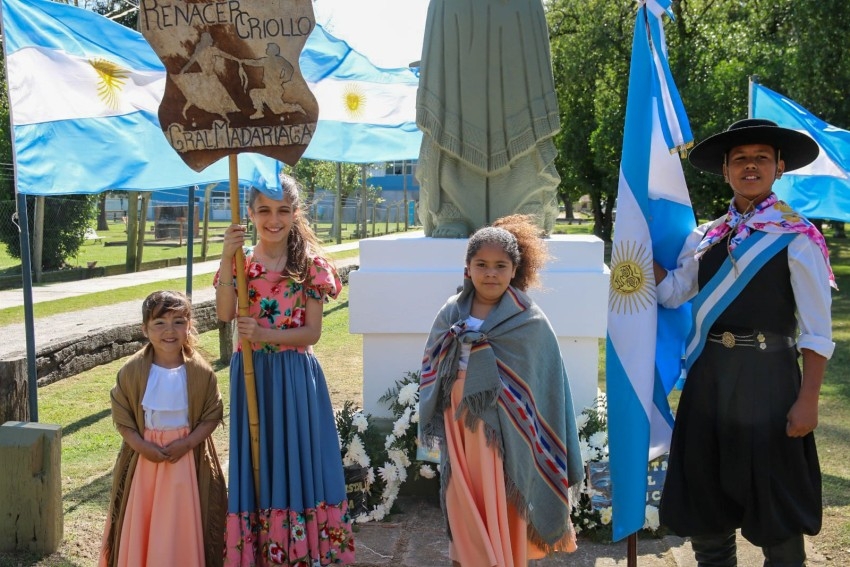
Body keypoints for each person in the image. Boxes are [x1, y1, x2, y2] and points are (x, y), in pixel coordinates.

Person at [655, 119, 836, 567]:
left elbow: (816, 330)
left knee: (777, 498)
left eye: (760, 158)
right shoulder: (707, 235)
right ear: (725, 169)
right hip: (709, 380)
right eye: (739, 158)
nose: (749, 165)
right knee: (706, 498)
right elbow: (673, 293)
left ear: (779, 167)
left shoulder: (798, 237)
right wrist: (633, 250)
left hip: (770, 381)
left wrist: (808, 399)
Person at [418, 214, 584, 567]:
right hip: (459, 423)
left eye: (500, 266)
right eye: (481, 264)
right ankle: (468, 557)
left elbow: (545, 382)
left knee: (499, 492)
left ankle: (502, 557)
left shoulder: (529, 319)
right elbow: (432, 361)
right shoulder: (451, 312)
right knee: (462, 493)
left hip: (506, 430)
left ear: (514, 270)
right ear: (467, 268)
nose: (490, 273)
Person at [216, 175, 355, 566]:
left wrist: (265, 333)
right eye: (264, 210)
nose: (273, 220)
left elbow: (312, 333)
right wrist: (227, 257)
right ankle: (261, 551)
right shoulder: (241, 263)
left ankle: (300, 552)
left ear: (296, 213)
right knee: (256, 464)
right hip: (251, 374)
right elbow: (225, 313)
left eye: (282, 211)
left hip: (294, 376)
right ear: (250, 214)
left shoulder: (310, 266)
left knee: (295, 461)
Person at [99, 290, 227, 567]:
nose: (169, 331)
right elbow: (123, 416)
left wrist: (187, 443)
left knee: (181, 522)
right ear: (145, 329)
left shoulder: (201, 372)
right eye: (159, 323)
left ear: (189, 326)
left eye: (178, 322)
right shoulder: (132, 371)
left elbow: (212, 414)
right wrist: (141, 446)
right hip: (145, 463)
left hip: (186, 461)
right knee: (144, 520)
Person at [415, 0, 561, 238]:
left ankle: (526, 206)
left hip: (515, 12)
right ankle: (452, 209)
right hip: (457, 11)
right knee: (451, 104)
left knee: (521, 99)